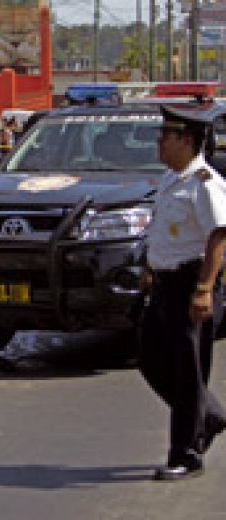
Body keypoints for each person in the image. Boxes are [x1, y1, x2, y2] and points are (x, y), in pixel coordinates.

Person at [139, 104, 226, 481]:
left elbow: (219, 236)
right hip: (164, 283)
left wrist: (205, 289)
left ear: (186, 141)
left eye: (165, 137)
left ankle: (186, 454)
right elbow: (162, 228)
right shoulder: (171, 180)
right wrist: (149, 266)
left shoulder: (206, 183)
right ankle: (208, 415)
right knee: (148, 356)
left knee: (188, 372)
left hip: (190, 284)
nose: (159, 144)